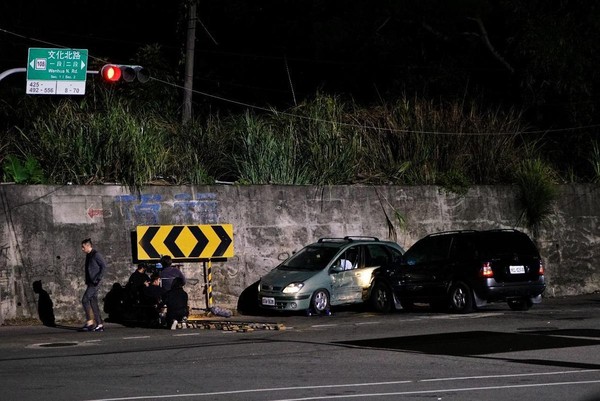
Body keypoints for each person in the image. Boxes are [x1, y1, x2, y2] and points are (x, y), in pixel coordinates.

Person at [79, 238, 107, 332]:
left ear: (88, 246)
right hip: (90, 282)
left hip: (95, 283)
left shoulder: (96, 254)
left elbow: (104, 266)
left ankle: (90, 322)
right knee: (93, 302)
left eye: (83, 247)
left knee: (85, 300)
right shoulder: (88, 255)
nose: (82, 249)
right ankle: (99, 324)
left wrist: (98, 278)